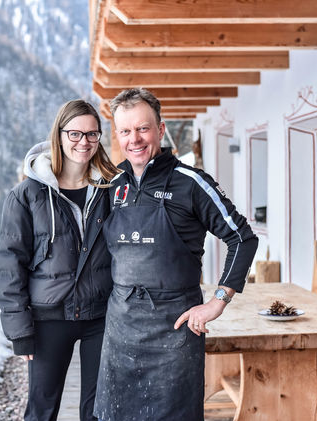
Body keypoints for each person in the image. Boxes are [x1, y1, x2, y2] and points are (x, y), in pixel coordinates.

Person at [94, 88, 259, 420]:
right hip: (121, 329)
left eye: (143, 128)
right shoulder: (112, 186)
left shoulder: (191, 182)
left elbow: (242, 238)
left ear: (161, 129)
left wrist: (218, 301)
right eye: (125, 131)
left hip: (175, 329)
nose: (134, 139)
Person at [0, 99, 119, 421]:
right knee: (42, 408)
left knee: (99, 410)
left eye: (92, 135)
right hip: (48, 317)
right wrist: (20, 332)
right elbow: (10, 265)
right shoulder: (27, 195)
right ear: (59, 134)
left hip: (101, 316)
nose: (84, 143)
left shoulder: (111, 188)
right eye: (75, 134)